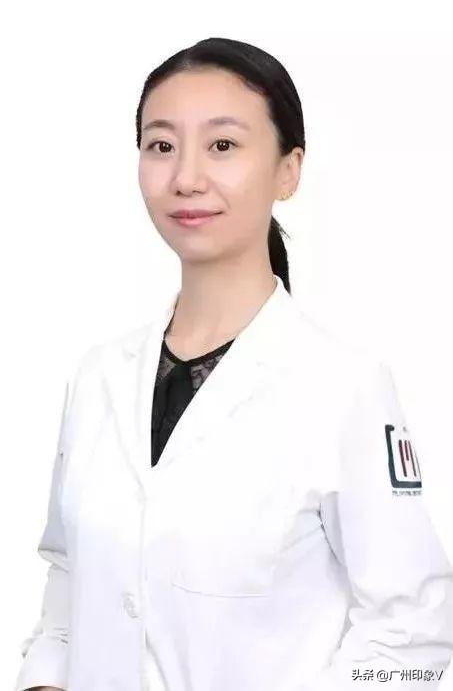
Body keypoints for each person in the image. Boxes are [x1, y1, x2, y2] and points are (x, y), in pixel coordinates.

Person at [15, 37, 453, 691]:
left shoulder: (343, 388)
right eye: (161, 145)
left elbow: (413, 631)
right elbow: (69, 578)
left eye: (222, 145)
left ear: (288, 170)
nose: (186, 177)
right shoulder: (98, 375)